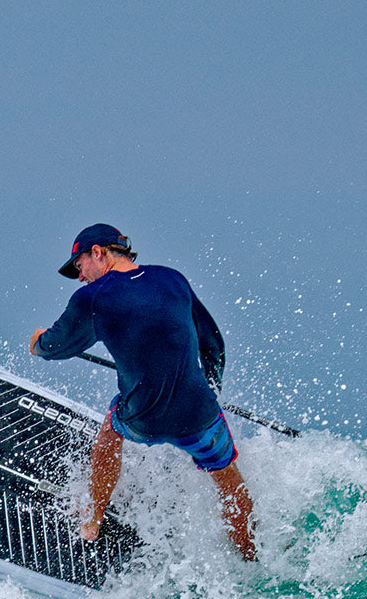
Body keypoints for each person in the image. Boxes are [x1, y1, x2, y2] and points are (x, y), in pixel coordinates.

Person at [29, 224, 256, 560]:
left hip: (143, 417)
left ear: (98, 252)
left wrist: (37, 342)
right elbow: (213, 345)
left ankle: (91, 521)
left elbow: (54, 347)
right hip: (200, 415)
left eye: (79, 266)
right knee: (226, 475)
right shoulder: (173, 279)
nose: (80, 277)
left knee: (111, 428)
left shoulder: (93, 297)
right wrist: (211, 392)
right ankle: (250, 554)